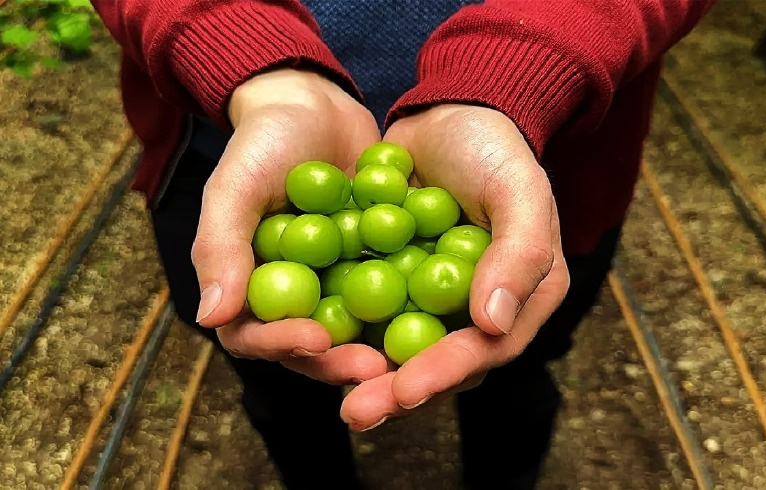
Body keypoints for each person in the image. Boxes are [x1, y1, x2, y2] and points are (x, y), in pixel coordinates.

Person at [92, 1, 714, 488]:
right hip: (233, 137)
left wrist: (516, 69)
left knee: (515, 359)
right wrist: (247, 54)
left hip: (541, 159)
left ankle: (502, 479)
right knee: (275, 375)